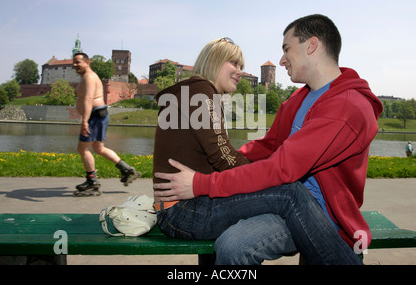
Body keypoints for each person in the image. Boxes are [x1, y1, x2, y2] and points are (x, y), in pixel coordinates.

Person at [153, 32, 367, 265]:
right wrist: (261, 174)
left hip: (181, 207)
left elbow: (227, 155)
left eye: (241, 66)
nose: (240, 71)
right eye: (233, 63)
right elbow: (224, 157)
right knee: (290, 192)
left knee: (273, 198)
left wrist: (253, 173)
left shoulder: (191, 92)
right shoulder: (201, 92)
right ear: (213, 61)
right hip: (185, 210)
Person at [73, 52, 139, 196]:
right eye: (74, 61)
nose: (74, 64)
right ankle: (126, 169)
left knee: (83, 149)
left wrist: (84, 121)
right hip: (98, 115)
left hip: (94, 116)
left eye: (78, 62)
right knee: (98, 147)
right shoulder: (86, 76)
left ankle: (92, 182)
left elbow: (89, 98)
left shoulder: (89, 77)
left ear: (87, 62)